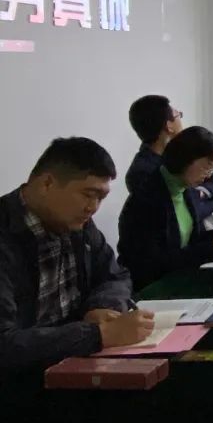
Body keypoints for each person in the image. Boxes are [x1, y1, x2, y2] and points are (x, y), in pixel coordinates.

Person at [0, 138, 155, 371]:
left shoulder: (79, 225)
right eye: (88, 194)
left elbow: (115, 275)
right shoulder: (7, 235)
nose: (93, 207)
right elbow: (5, 343)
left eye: (101, 198)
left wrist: (101, 307)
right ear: (47, 184)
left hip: (75, 359)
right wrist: (97, 335)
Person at [118, 127, 213, 290]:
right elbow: (152, 262)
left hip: (179, 278)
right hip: (151, 287)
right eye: (206, 166)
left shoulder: (186, 190)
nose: (209, 174)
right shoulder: (147, 199)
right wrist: (211, 249)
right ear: (185, 159)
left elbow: (186, 240)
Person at [125, 94, 213, 201]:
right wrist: (198, 194)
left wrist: (203, 191)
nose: (181, 120)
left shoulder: (184, 152)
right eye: (178, 115)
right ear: (169, 126)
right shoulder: (143, 172)